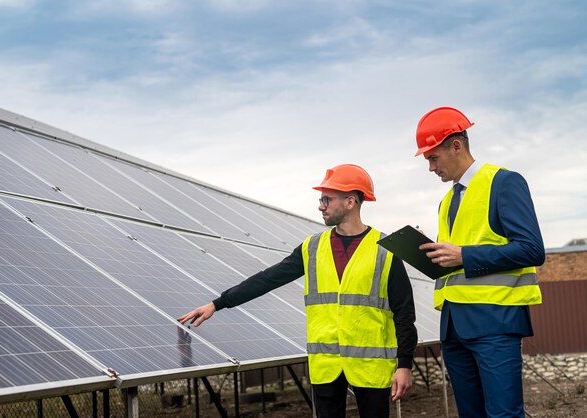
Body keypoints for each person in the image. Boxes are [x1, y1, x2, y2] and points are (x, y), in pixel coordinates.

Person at [179, 164, 417, 418]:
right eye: (320, 199)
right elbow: (267, 279)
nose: (320, 205)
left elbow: (404, 313)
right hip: (326, 367)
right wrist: (218, 303)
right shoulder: (312, 248)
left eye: (327, 199)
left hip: (371, 368)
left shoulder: (385, 250)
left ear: (350, 201)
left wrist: (404, 365)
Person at [414, 107, 545, 418]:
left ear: (456, 146)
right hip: (454, 326)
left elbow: (531, 249)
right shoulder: (447, 201)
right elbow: (457, 256)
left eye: (433, 158)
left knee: (503, 414)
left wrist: (464, 255)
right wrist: (433, 253)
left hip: (494, 321)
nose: (431, 167)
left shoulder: (504, 182)